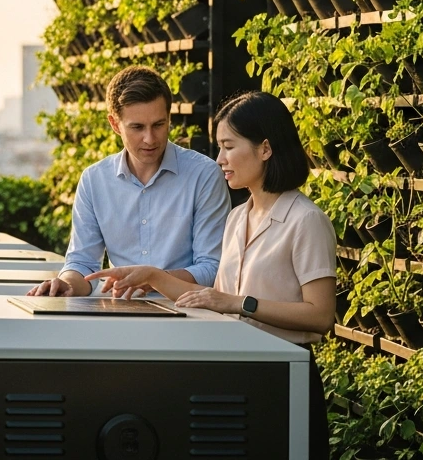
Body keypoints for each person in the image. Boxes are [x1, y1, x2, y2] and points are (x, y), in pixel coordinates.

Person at [87, 90, 334, 460]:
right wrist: (151, 276)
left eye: (228, 147)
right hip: (234, 377)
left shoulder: (306, 220)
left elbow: (320, 315)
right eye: (220, 148)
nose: (220, 159)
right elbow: (210, 300)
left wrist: (238, 303)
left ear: (265, 148)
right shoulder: (238, 217)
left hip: (284, 377)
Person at [28, 65, 231, 298]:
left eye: (159, 125)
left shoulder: (204, 175)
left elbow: (212, 268)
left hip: (188, 309)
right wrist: (67, 284)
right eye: (137, 127)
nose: (150, 139)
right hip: (119, 310)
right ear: (115, 124)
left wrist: (154, 279)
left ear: (169, 119)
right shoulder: (94, 180)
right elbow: (83, 262)